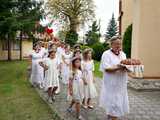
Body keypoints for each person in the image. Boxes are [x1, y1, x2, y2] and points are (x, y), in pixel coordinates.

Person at [99, 36, 129, 120]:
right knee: (114, 103)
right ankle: (112, 116)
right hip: (111, 84)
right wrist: (119, 67)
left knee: (117, 103)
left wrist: (129, 68)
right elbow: (107, 69)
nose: (118, 46)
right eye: (116, 44)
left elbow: (126, 66)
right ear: (111, 45)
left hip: (121, 83)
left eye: (120, 44)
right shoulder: (106, 54)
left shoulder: (123, 54)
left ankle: (110, 115)